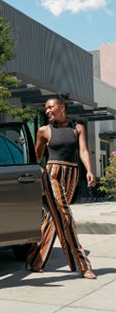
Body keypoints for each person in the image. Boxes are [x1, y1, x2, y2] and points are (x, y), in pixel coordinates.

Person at [26, 95, 97, 279]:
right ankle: (82, 264)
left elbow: (82, 151)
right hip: (52, 175)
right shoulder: (43, 131)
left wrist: (89, 170)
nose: (47, 111)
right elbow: (36, 156)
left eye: (51, 107)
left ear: (62, 107)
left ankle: (35, 260)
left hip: (72, 174)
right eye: (46, 109)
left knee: (54, 217)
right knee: (65, 214)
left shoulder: (77, 129)